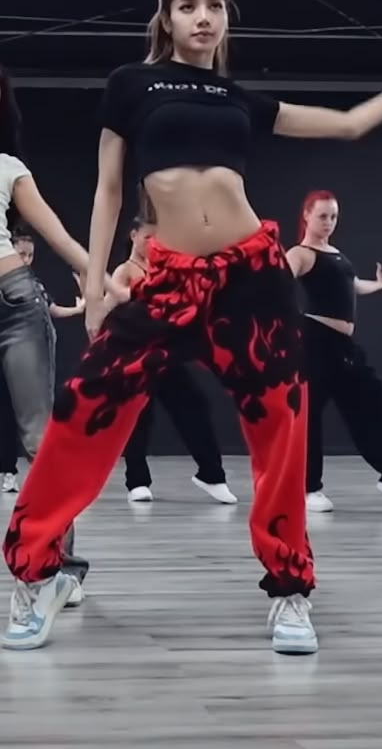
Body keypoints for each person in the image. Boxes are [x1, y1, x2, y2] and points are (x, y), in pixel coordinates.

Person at [1, 0, 382, 654]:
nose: (204, 16)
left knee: (280, 431)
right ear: (166, 17)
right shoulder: (131, 85)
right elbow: (110, 189)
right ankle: (40, 569)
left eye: (216, 6)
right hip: (165, 278)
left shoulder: (237, 97)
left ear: (226, 18)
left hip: (251, 278)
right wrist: (104, 281)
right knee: (81, 411)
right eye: (190, 5)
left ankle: (290, 590)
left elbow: (348, 125)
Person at [0, 64, 125, 604]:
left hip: (14, 303)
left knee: (37, 438)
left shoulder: (7, 167)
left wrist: (100, 282)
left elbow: (56, 234)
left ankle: (58, 563)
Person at [286, 190, 382, 514]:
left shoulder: (334, 253)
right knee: (309, 417)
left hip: (342, 346)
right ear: (306, 215)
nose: (329, 223)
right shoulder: (301, 253)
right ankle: (309, 489)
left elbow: (347, 287)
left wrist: (378, 284)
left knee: (379, 402)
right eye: (322, 216)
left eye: (333, 216)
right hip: (314, 343)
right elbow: (278, 281)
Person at [115, 216, 237, 504]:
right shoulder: (125, 271)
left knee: (195, 405)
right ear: (133, 235)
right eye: (147, 237)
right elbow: (116, 296)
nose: (152, 244)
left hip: (166, 352)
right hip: (137, 354)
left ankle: (211, 474)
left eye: (157, 239)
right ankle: (137, 481)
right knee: (139, 417)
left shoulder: (163, 269)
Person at [0, 228, 85, 494]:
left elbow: (50, 309)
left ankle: (15, 475)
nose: (26, 259)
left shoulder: (32, 286)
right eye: (21, 253)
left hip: (22, 336)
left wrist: (80, 307)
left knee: (30, 419)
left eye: (29, 255)